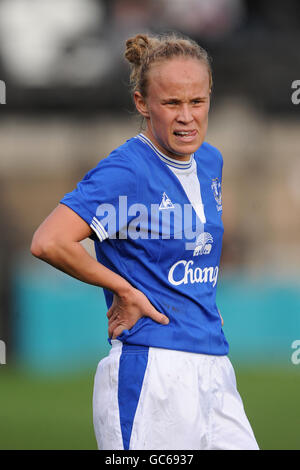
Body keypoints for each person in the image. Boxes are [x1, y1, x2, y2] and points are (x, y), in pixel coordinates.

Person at [30, 32, 259, 450]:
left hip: (215, 369)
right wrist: (122, 288)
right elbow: (49, 241)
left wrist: (199, 300)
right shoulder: (127, 171)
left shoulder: (211, 161)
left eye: (197, 101)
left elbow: (190, 248)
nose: (187, 116)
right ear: (142, 103)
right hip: (152, 372)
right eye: (172, 103)